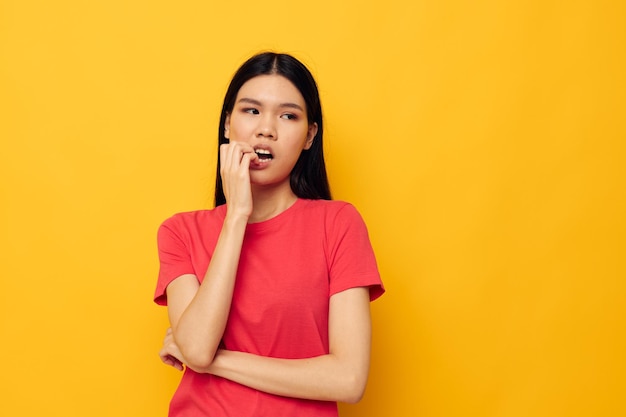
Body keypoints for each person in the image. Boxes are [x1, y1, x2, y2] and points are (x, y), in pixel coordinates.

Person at [155, 52, 384, 417]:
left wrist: (216, 362)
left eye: (288, 115)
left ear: (309, 136)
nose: (266, 129)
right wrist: (237, 216)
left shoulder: (338, 223)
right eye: (251, 111)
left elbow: (349, 378)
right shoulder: (180, 231)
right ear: (227, 124)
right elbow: (197, 348)